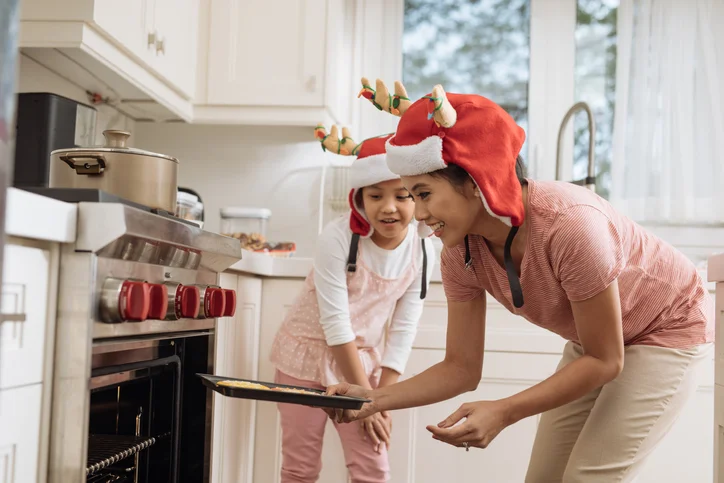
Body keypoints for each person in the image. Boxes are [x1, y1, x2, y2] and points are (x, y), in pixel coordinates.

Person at [325, 80, 714, 482]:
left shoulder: (570, 227)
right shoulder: (459, 250)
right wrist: (371, 398)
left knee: (589, 476)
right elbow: (461, 367)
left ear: (475, 181)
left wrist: (505, 410)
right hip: (596, 343)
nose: (418, 214)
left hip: (667, 327)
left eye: (423, 194)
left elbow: (606, 359)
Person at [268, 123, 436, 483]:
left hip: (362, 368)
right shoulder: (336, 238)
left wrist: (381, 397)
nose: (389, 208)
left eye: (402, 195)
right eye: (376, 196)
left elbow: (405, 326)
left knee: (372, 468)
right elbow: (336, 325)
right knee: (301, 467)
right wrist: (367, 400)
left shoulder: (423, 248)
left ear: (418, 196)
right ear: (359, 198)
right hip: (303, 361)